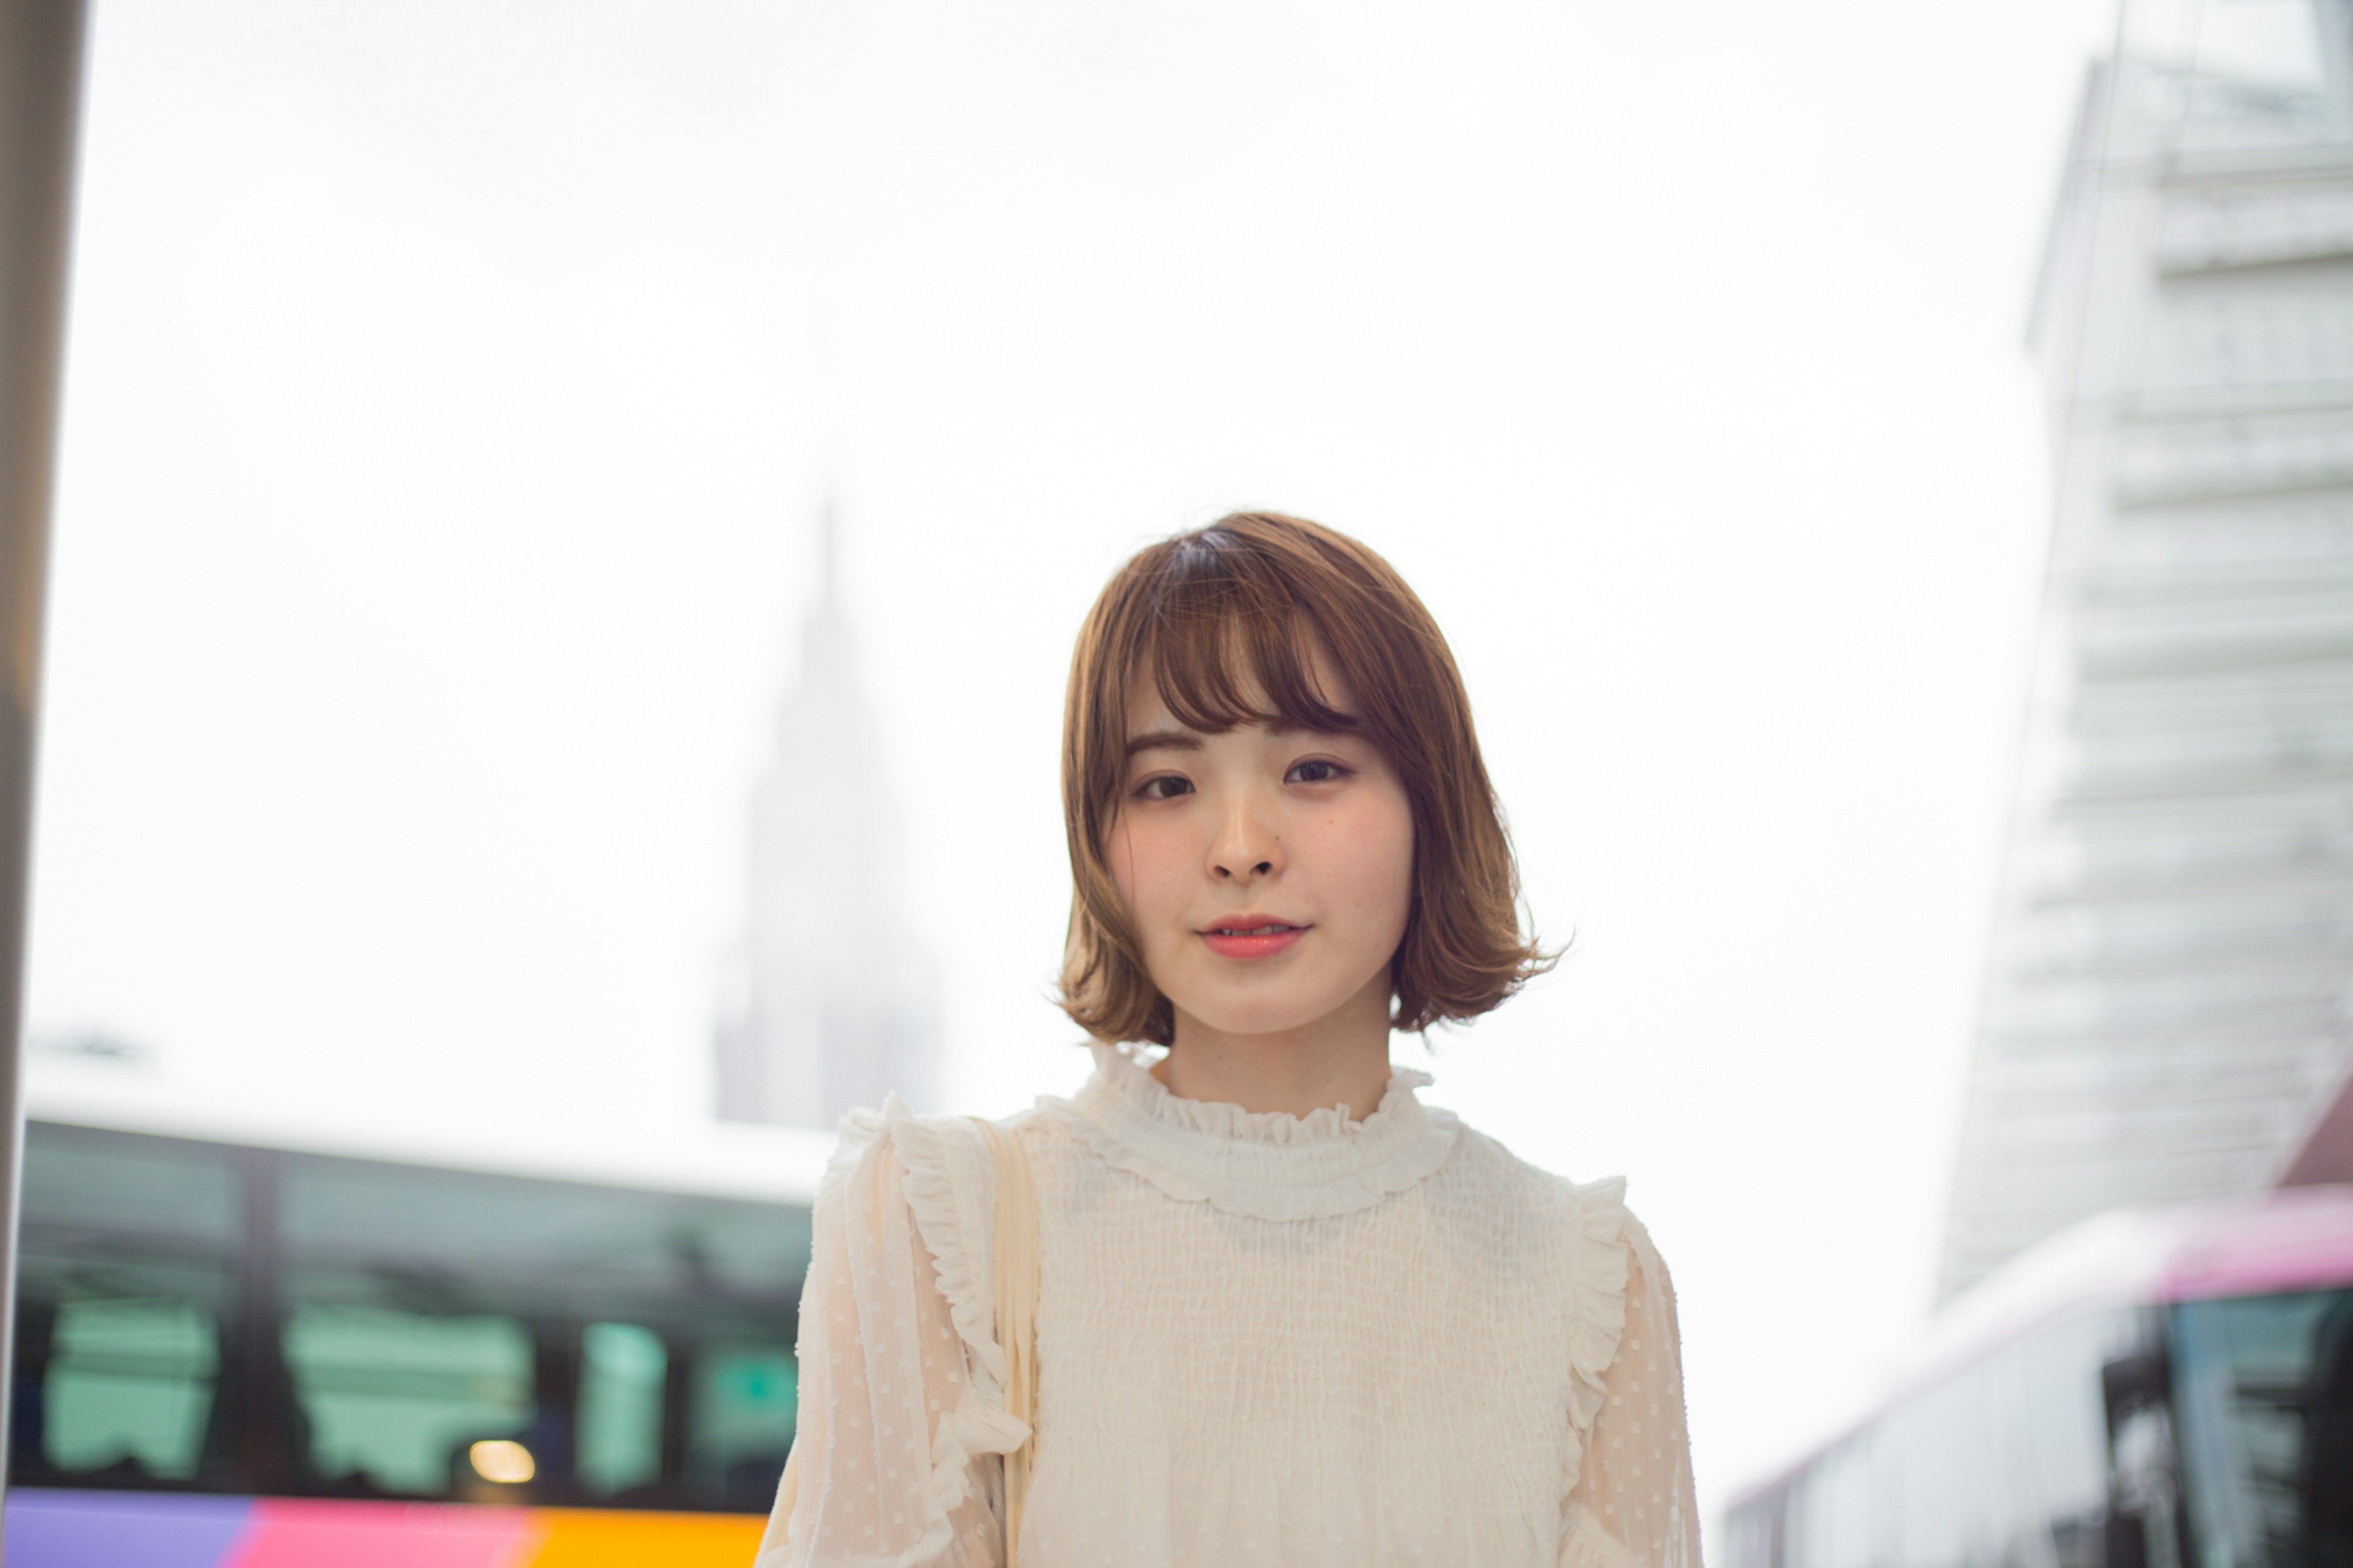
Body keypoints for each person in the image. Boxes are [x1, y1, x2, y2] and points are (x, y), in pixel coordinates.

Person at [756, 512, 1700, 1567]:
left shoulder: (1586, 1285)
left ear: (1429, 805)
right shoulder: (940, 1226)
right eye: (1166, 784)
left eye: (1313, 770)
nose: (1241, 848)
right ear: (1098, 844)